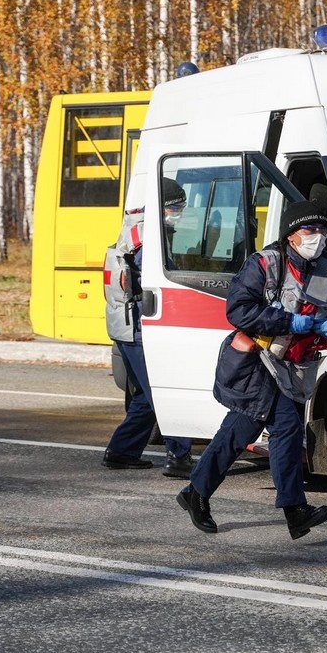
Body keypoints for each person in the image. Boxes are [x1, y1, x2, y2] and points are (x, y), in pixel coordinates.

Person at [176, 199, 327, 540]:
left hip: (295, 368)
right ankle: (295, 510)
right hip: (256, 363)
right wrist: (289, 320)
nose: (317, 237)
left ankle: (196, 493)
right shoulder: (264, 264)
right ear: (291, 235)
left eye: (322, 231)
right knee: (288, 429)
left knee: (237, 433)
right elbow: (239, 311)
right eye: (309, 230)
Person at [102, 177, 195, 478]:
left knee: (144, 394)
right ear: (164, 207)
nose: (180, 211)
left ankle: (122, 451)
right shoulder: (149, 238)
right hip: (141, 327)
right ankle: (179, 457)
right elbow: (156, 279)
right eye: (177, 206)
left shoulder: (135, 228)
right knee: (164, 391)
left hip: (126, 326)